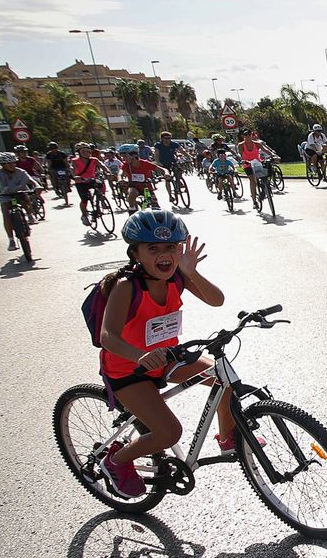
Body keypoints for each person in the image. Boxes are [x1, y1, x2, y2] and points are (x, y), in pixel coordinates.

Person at [95, 211, 232, 500]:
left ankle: (228, 438)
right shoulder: (126, 286)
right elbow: (108, 336)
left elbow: (217, 300)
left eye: (171, 247)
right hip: (128, 370)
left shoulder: (178, 277)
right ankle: (115, 461)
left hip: (167, 358)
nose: (164, 255)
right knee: (169, 433)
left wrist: (191, 272)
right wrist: (140, 356)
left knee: (224, 377)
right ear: (136, 253)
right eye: (153, 248)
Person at [0, 152, 41, 255]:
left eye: (14, 162)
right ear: (3, 165)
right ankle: (11, 240)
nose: (13, 165)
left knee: (25, 199)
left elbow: (31, 180)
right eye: (9, 163)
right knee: (6, 215)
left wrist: (37, 186)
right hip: (5, 196)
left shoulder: (21, 172)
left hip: (20, 193)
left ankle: (30, 215)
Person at [118, 144, 166, 209]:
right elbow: (120, 173)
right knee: (131, 195)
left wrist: (166, 174)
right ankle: (132, 209)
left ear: (134, 155)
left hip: (146, 186)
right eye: (122, 157)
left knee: (153, 203)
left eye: (125, 156)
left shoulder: (145, 163)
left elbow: (162, 170)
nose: (123, 159)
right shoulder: (126, 165)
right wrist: (120, 179)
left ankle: (145, 206)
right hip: (134, 186)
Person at [71, 143, 107, 225]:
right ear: (79, 153)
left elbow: (102, 165)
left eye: (88, 151)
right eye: (83, 152)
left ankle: (100, 199)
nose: (86, 153)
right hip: (81, 182)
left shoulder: (94, 159)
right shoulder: (75, 161)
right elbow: (72, 168)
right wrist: (75, 176)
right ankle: (84, 215)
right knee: (84, 199)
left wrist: (108, 172)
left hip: (92, 180)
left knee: (101, 184)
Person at [238, 130, 270, 204]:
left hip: (257, 163)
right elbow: (239, 154)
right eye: (245, 135)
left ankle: (263, 188)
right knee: (252, 181)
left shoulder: (257, 144)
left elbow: (265, 150)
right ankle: (254, 201)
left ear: (251, 136)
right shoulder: (241, 145)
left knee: (263, 177)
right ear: (243, 137)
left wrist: (273, 155)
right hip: (247, 164)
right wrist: (242, 160)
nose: (248, 137)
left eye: (249, 135)